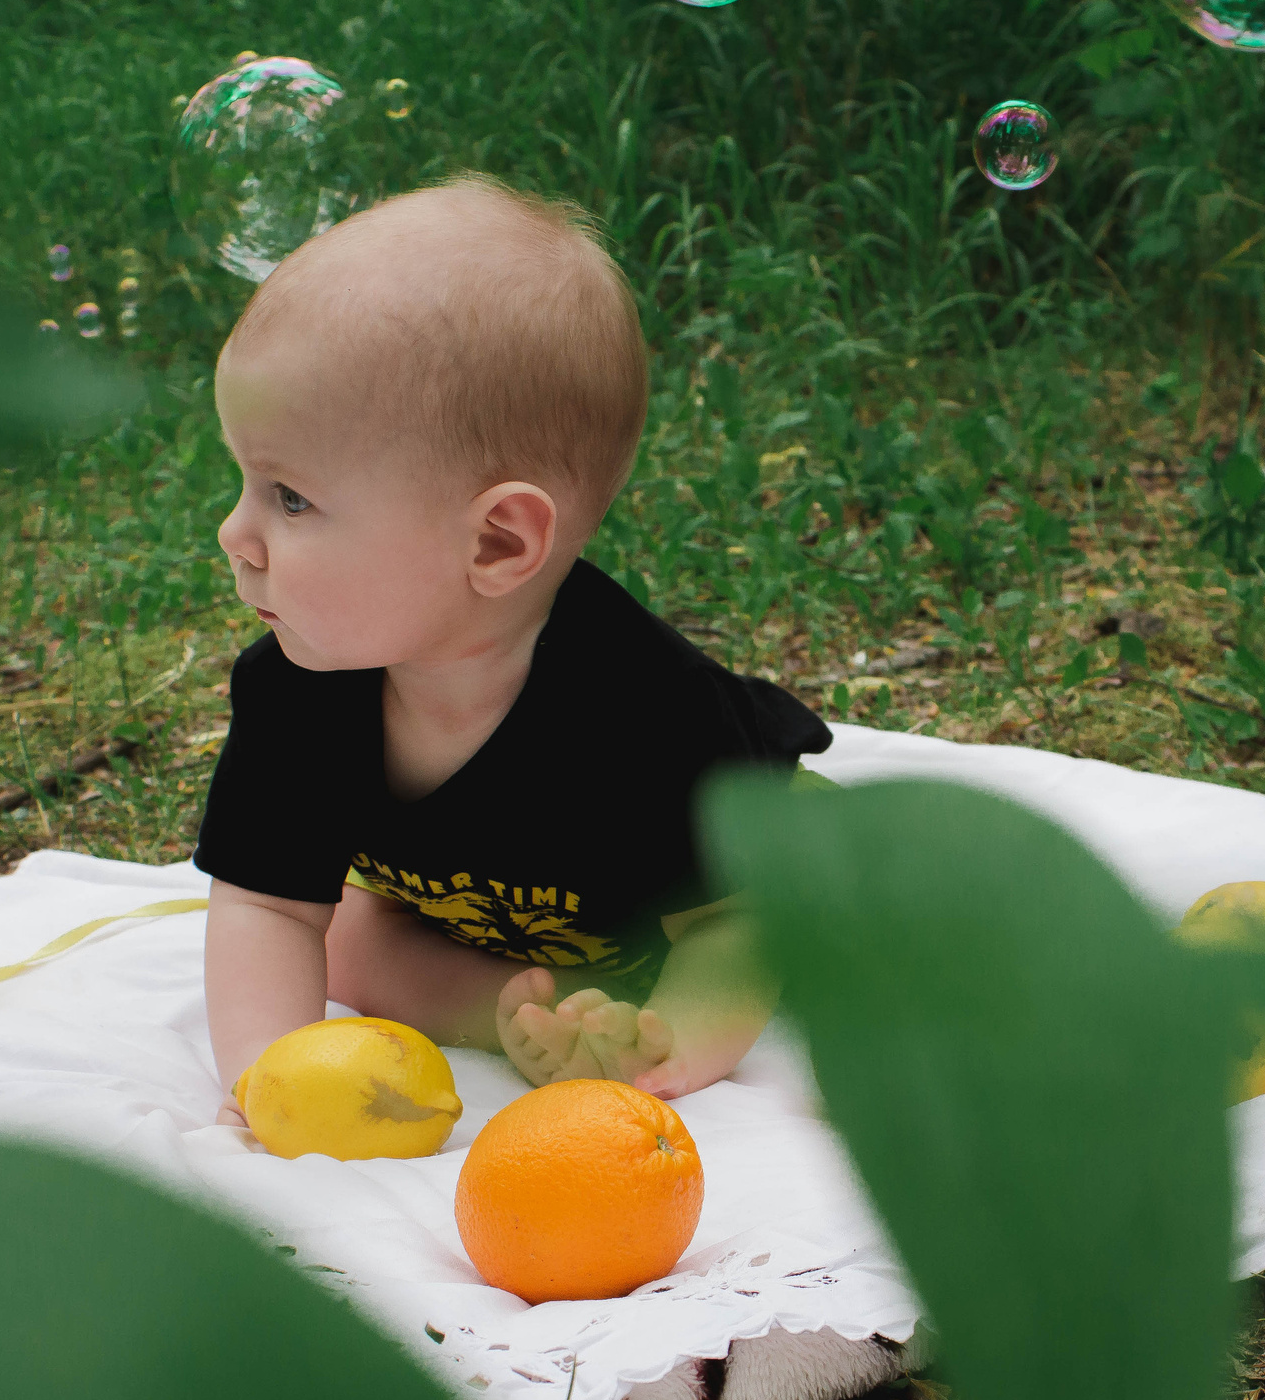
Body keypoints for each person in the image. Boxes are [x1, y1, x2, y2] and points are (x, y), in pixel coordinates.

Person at [193, 172, 830, 1107]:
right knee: (333, 937)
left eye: (291, 498)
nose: (233, 534)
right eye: (248, 483)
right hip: (497, 926)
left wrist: (667, 1051)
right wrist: (268, 1077)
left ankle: (612, 1028)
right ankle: (529, 1010)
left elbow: (735, 923)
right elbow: (267, 903)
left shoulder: (646, 712)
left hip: (710, 896)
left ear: (496, 542)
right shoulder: (295, 689)